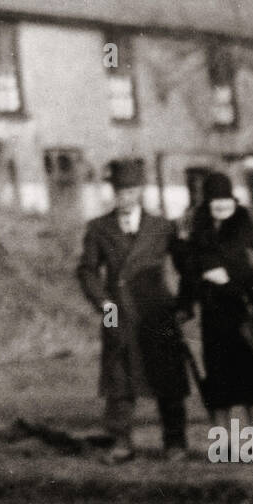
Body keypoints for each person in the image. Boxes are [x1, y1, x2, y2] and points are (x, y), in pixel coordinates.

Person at [77, 158, 190, 464]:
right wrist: (104, 304)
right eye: (119, 191)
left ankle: (175, 441)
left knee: (167, 379)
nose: (124, 198)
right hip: (118, 311)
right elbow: (87, 271)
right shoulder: (99, 227)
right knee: (119, 379)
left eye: (130, 191)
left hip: (156, 312)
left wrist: (183, 306)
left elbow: (186, 267)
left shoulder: (162, 226)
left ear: (140, 191)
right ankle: (122, 442)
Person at [181, 172, 253, 431]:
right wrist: (187, 303)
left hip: (248, 313)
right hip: (214, 316)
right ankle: (224, 441)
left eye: (225, 200)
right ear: (206, 204)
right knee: (218, 380)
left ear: (234, 201)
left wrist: (237, 284)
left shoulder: (248, 229)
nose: (221, 206)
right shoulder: (198, 234)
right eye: (214, 201)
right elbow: (189, 274)